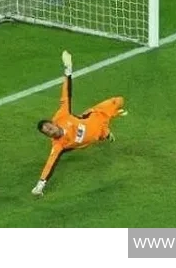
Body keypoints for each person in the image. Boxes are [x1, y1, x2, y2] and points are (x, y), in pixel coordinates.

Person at [31, 51, 128, 196]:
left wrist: (68, 71)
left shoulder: (62, 115)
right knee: (100, 135)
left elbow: (66, 93)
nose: (51, 131)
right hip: (96, 135)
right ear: (48, 136)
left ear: (53, 123)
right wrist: (40, 185)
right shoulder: (59, 145)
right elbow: (50, 164)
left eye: (50, 127)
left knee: (119, 100)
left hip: (96, 115)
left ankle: (104, 122)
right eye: (48, 132)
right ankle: (106, 132)